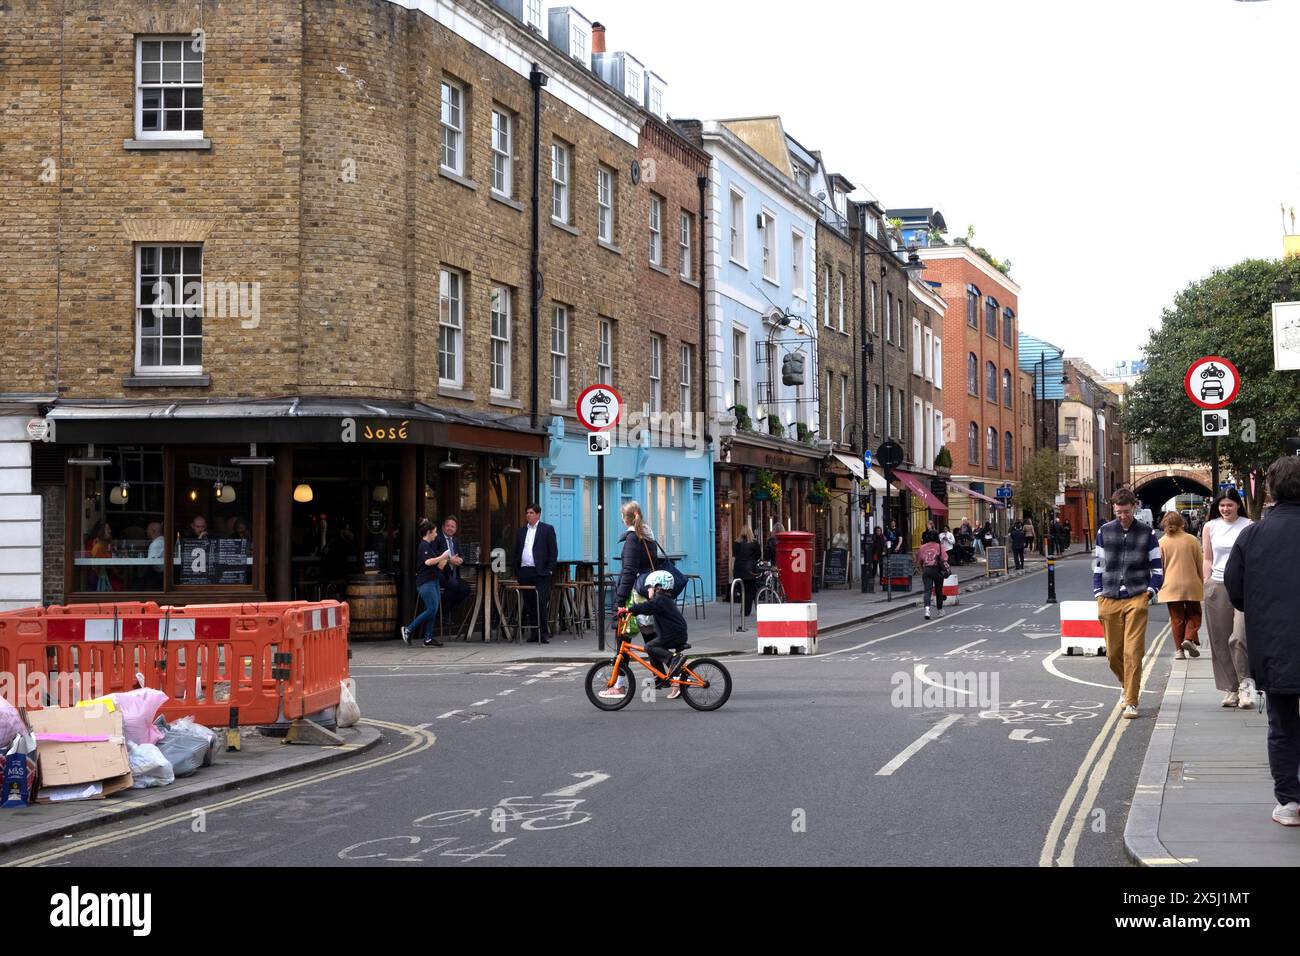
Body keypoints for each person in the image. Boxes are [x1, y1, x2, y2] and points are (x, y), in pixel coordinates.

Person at [1224, 456, 1300, 825]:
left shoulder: (1252, 535)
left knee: (1282, 724)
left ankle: (1289, 803)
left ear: (1271, 489)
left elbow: (1235, 592)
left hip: (1274, 647)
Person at [1093, 488, 1163, 719]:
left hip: (1136, 596)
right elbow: (1098, 564)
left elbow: (1156, 568)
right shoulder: (1105, 531)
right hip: (1109, 596)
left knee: (1133, 652)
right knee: (1113, 654)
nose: (1122, 516)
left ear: (1135, 507)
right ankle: (1126, 684)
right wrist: (1098, 593)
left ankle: (1131, 701)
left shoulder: (1147, 532)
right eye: (1118, 511)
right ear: (1113, 509)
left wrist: (1150, 592)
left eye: (1126, 511)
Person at [1202, 488, 1254, 708]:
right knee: (1220, 640)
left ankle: (1245, 686)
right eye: (1222, 505)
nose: (1225, 509)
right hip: (1217, 586)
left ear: (1238, 505)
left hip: (1242, 587)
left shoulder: (1249, 526)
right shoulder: (1210, 526)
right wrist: (1207, 582)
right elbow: (1207, 558)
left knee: (1240, 637)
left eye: (1229, 505)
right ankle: (1231, 689)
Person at [607, 569, 691, 701]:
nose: (647, 591)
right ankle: (666, 677)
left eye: (650, 588)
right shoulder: (663, 599)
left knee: (649, 647)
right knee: (653, 648)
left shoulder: (660, 600)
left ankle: (673, 659)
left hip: (673, 634)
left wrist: (629, 609)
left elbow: (646, 607)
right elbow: (648, 607)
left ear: (658, 587)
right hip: (674, 633)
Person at [1158, 511, 1203, 661]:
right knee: (1195, 614)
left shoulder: (1162, 542)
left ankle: (1179, 652)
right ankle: (1189, 639)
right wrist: (1202, 582)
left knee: (1176, 619)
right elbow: (1200, 564)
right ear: (1183, 523)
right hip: (1191, 583)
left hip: (1170, 586)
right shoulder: (1192, 540)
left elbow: (1160, 567)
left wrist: (1159, 586)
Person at [400, 518, 451, 647]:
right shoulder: (423, 545)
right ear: (428, 532)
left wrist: (445, 560)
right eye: (434, 532)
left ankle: (428, 638)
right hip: (425, 582)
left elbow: (434, 564)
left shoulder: (428, 546)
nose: (436, 534)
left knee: (433, 609)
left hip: (433, 580)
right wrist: (442, 557)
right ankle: (409, 629)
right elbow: (428, 562)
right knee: (432, 608)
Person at [512, 503, 558, 644]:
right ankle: (533, 633)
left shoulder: (547, 529)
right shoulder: (521, 531)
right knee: (529, 603)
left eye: (531, 513)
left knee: (541, 602)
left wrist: (549, 569)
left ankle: (543, 633)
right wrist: (517, 570)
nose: (528, 515)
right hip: (525, 571)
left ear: (538, 514)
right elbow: (516, 551)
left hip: (540, 572)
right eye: (527, 513)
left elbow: (553, 551)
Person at [433, 515, 472, 625]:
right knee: (453, 585)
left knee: (466, 589)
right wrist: (450, 560)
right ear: (443, 527)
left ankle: (444, 611)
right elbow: (434, 555)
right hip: (439, 574)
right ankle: (441, 614)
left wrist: (460, 560)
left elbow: (462, 556)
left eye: (453, 526)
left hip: (452, 575)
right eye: (448, 526)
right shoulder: (437, 538)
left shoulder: (455, 540)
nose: (450, 528)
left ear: (456, 529)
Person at [914, 529, 949, 620]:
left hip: (926, 570)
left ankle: (927, 610)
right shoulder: (940, 546)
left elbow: (919, 560)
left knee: (927, 591)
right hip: (937, 570)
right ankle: (940, 610)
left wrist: (923, 568)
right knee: (938, 591)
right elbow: (945, 558)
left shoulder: (922, 547)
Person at [732, 525, 761, 627]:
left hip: (738, 569)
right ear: (750, 532)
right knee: (749, 590)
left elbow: (734, 555)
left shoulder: (736, 542)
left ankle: (743, 609)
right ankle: (746, 611)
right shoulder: (754, 543)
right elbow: (758, 555)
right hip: (750, 570)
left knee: (742, 590)